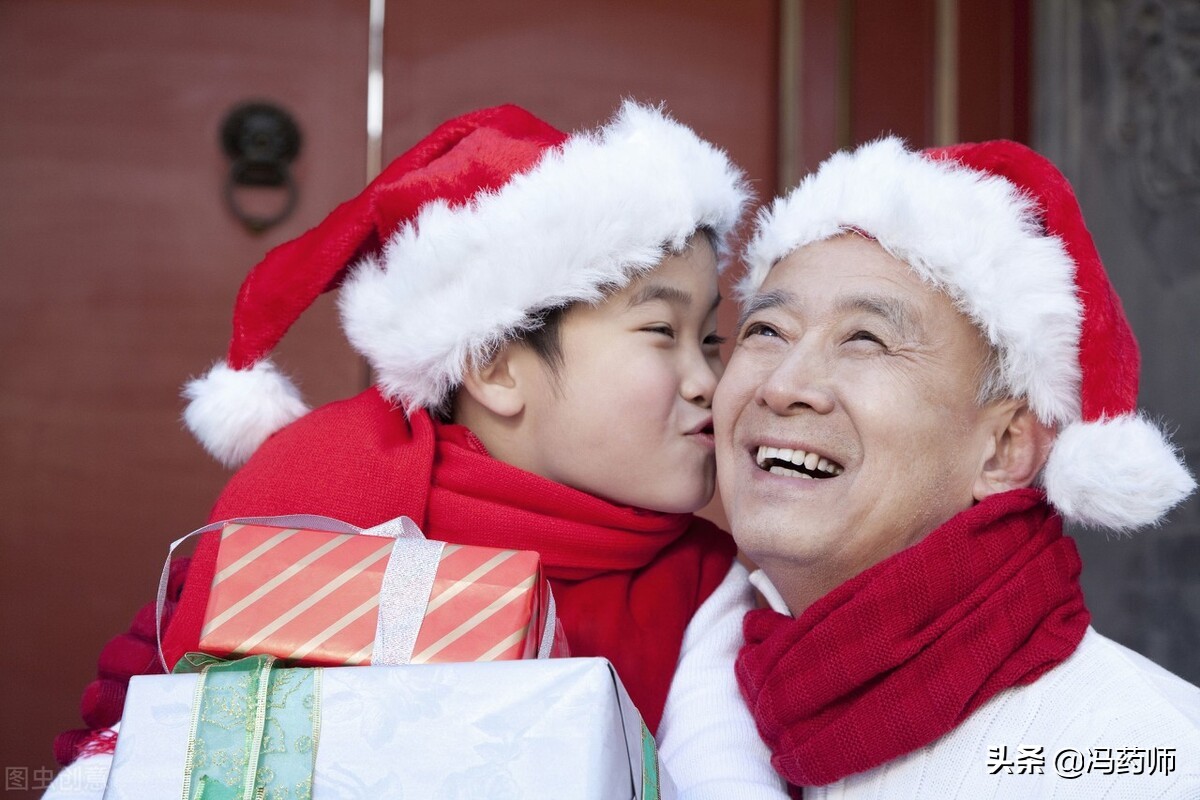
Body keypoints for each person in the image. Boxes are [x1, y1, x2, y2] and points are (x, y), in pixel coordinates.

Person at [50, 101, 786, 798]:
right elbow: (143, 747)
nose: (708, 381)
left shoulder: (701, 585)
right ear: (495, 365)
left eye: (712, 339)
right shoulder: (321, 507)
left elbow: (722, 774)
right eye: (664, 333)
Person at [716, 136, 1200, 797]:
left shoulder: (1138, 759)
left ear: (1004, 449)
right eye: (766, 332)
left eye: (866, 339)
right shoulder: (712, 696)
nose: (784, 385)